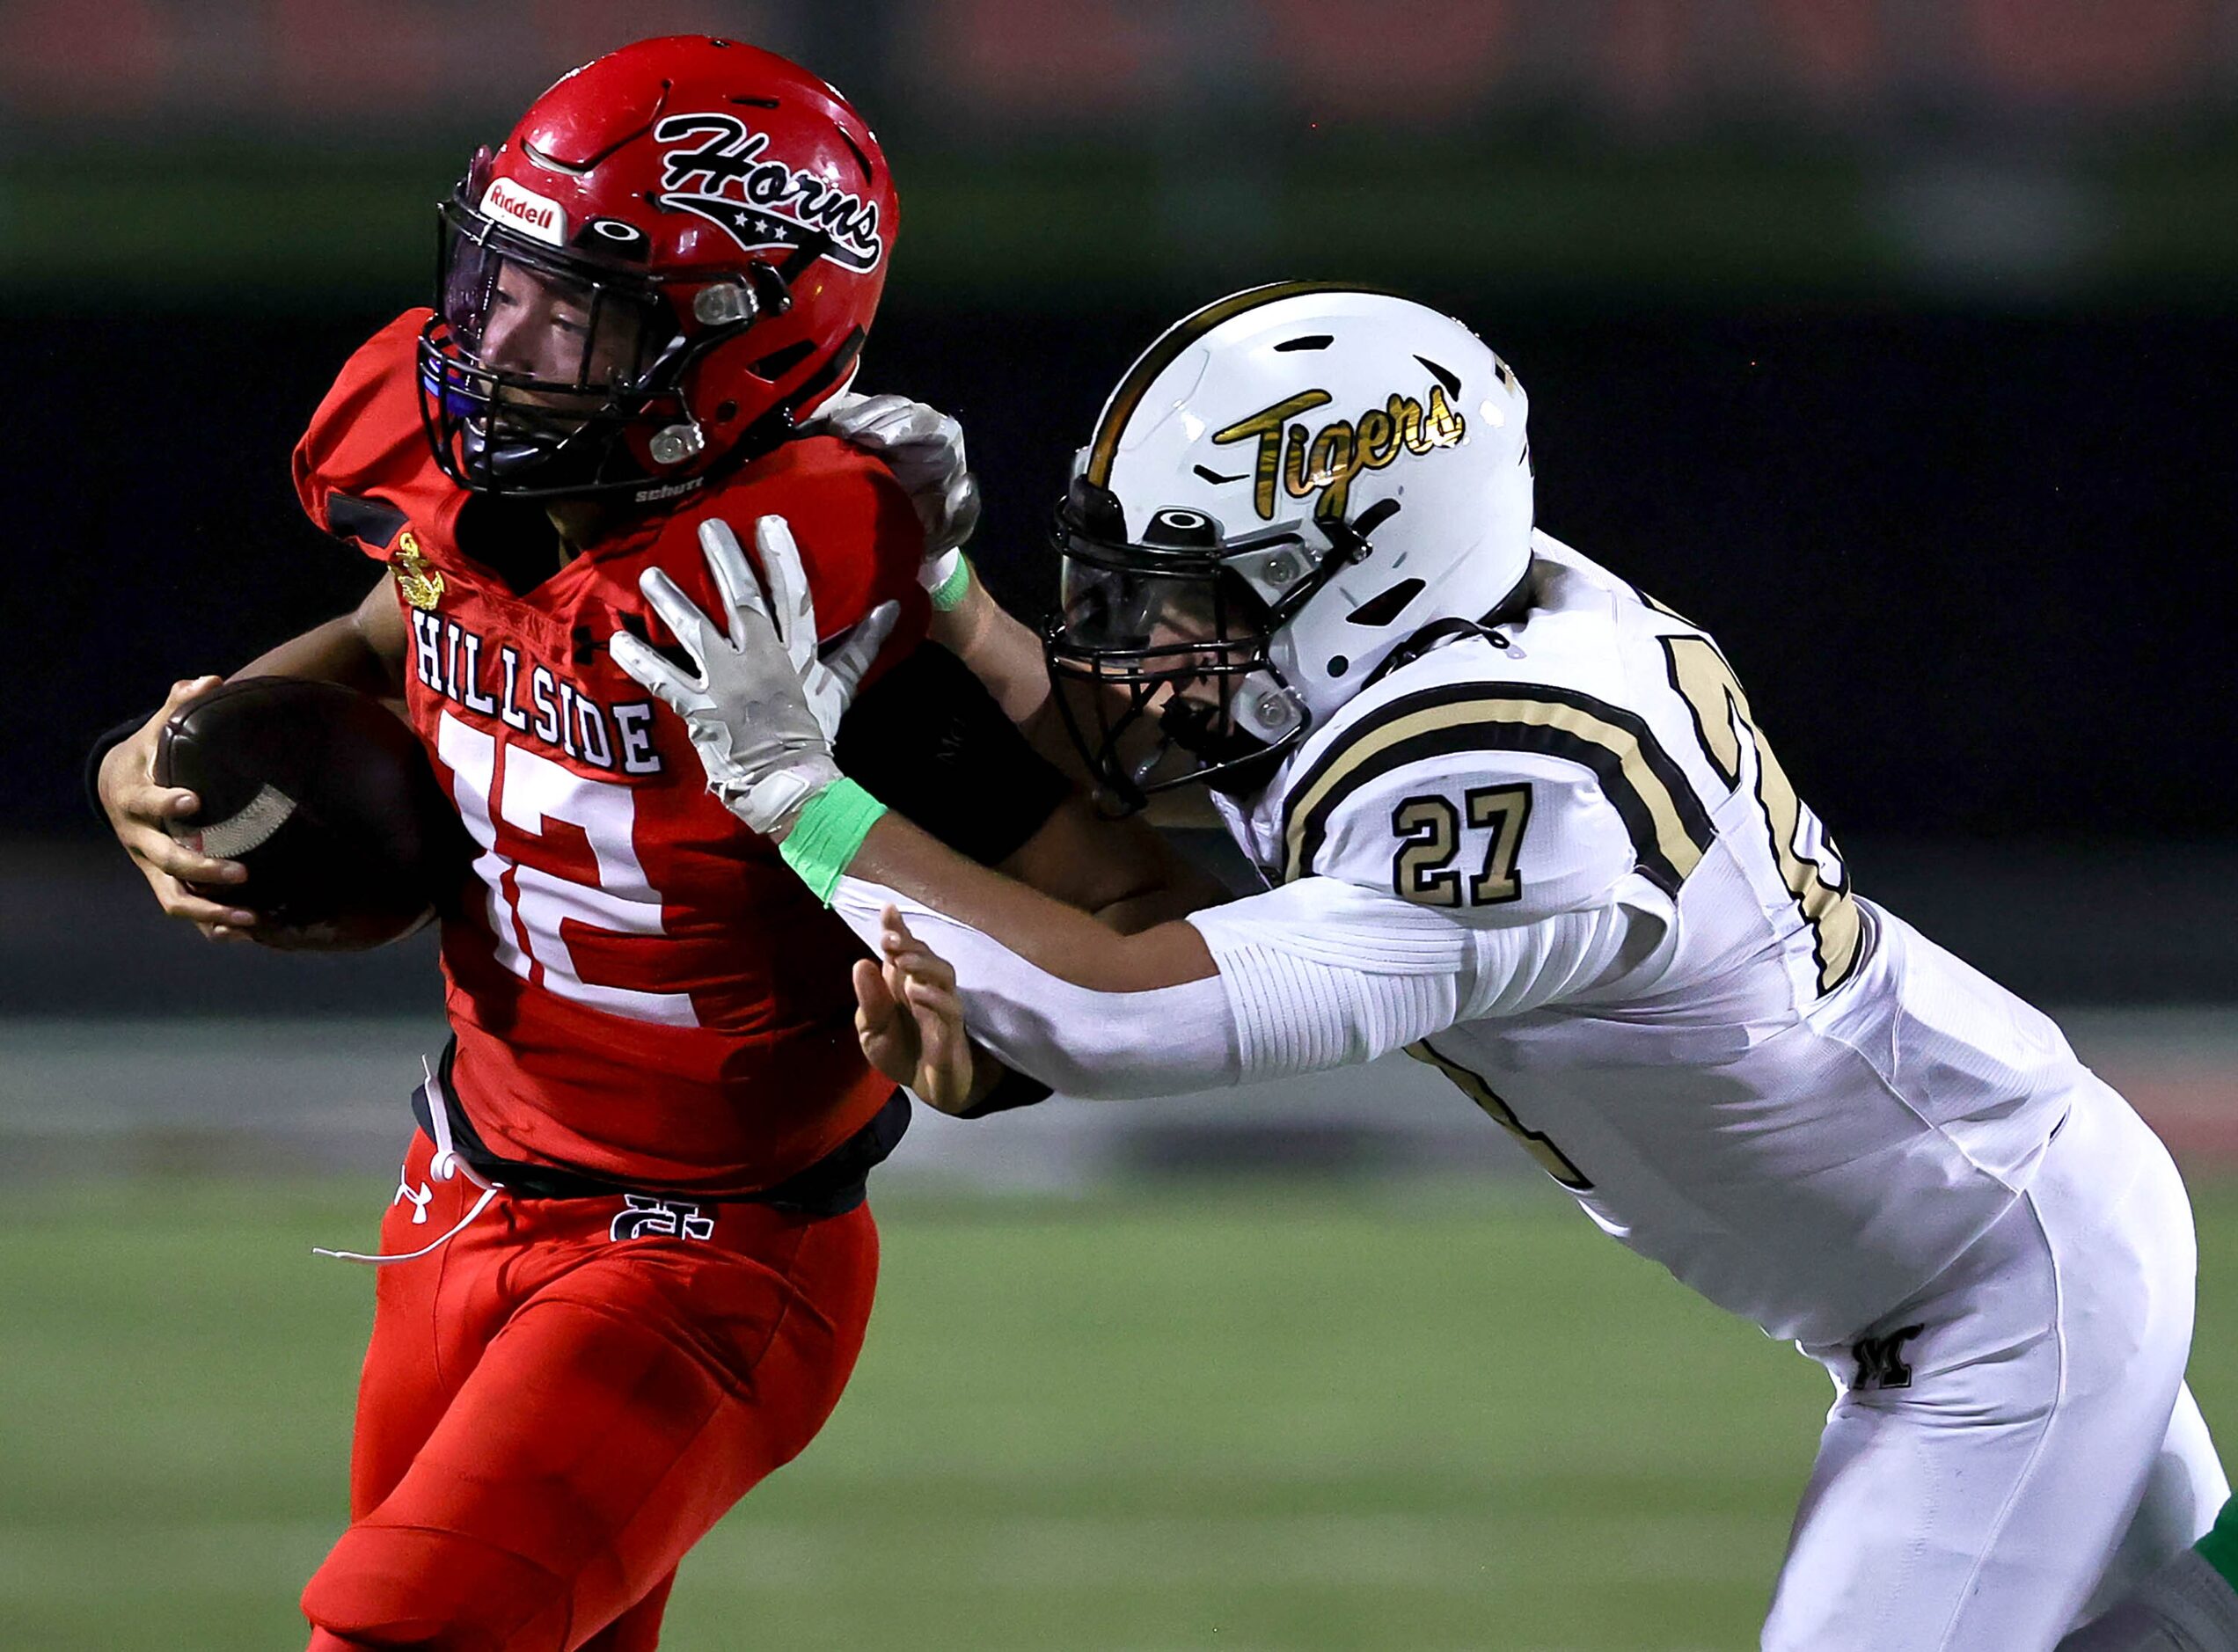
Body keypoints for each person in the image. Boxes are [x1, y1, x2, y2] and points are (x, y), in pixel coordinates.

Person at [613, 281, 2234, 1649]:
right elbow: (1151, 767)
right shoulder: (1432, 648)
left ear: (1372, 571)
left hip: (1995, 1296)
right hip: (1990, 1212)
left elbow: (1122, 1007)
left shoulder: (1509, 775)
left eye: (1184, 605)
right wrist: (948, 598)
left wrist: (789, 789)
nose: (1140, 649)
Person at [89, 35, 1210, 1651]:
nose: (502, 342)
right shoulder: (451, 459)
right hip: (458, 1184)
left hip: (704, 1253)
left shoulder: (787, 586)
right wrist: (165, 756)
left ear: (742, 349)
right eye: (502, 281)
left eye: (580, 311)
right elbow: (393, 616)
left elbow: (1124, 891)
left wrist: (1002, 1035)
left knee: (398, 1632)